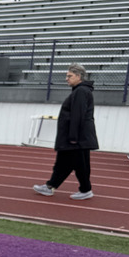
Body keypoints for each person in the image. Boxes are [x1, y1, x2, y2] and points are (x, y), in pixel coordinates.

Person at [33, 63, 98, 200]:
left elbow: (77, 115)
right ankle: (51, 186)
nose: (66, 79)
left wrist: (73, 137)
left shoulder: (81, 91)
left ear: (79, 76)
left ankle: (85, 189)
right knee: (66, 163)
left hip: (76, 138)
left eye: (69, 76)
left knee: (78, 164)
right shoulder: (80, 91)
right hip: (76, 137)